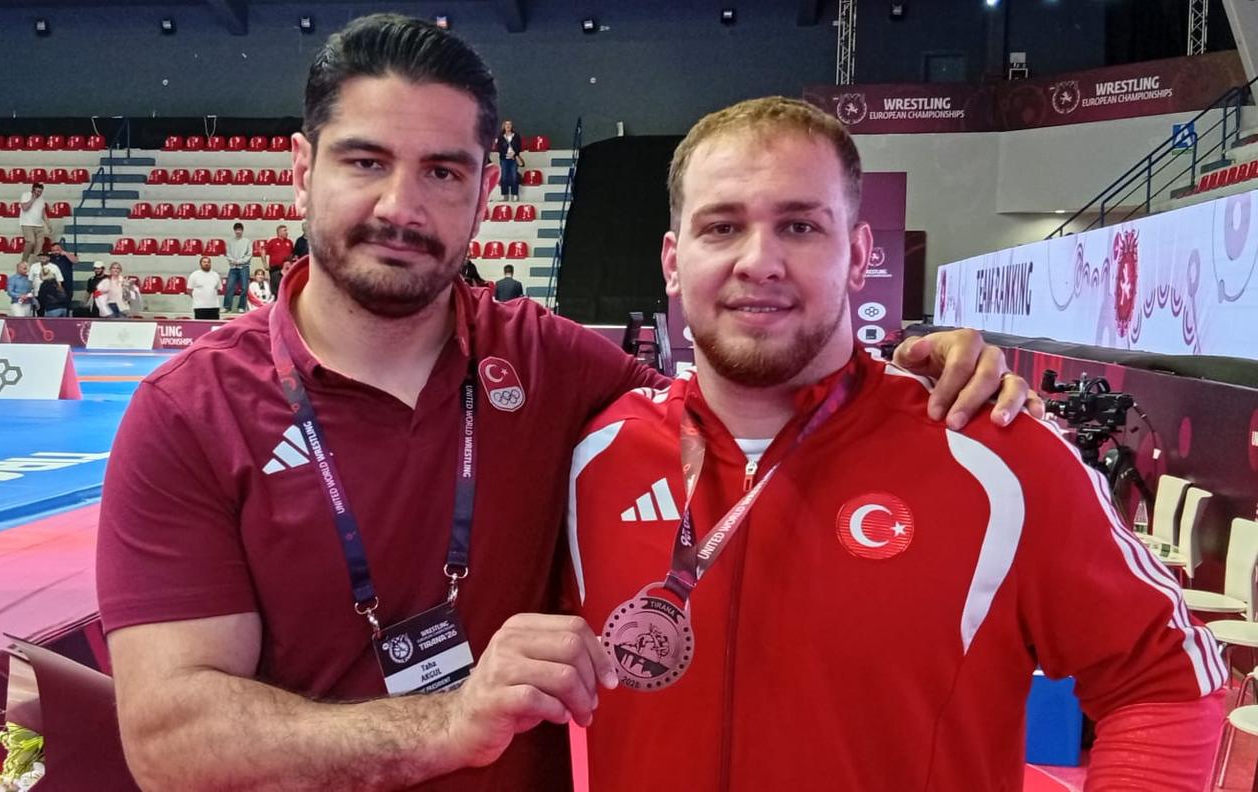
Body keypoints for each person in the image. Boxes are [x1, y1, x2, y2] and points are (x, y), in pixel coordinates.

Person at [96, 15, 1033, 792]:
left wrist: (909, 366)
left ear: (489, 189)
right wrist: (444, 727)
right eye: (364, 161)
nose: (401, 206)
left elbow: (748, 399)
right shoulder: (191, 413)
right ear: (301, 168)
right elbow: (171, 741)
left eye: (443, 171)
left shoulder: (547, 364)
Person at [565, 97, 1227, 792]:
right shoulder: (594, 455)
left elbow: (1166, 680)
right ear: (673, 261)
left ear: (857, 254)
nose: (759, 261)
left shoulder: (994, 453)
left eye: (799, 225)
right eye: (722, 227)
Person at [493, 119, 525, 202]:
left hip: (514, 159)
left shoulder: (516, 135)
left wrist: (513, 154)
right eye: (506, 124)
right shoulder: (500, 136)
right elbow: (499, 148)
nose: (508, 126)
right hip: (504, 159)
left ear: (511, 126)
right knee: (504, 177)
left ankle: (515, 195)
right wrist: (506, 154)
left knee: (514, 176)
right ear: (504, 126)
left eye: (509, 124)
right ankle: (505, 196)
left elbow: (519, 147)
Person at [224, 222, 252, 313]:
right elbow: (228, 254)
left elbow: (249, 255)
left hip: (244, 267)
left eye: (240, 230)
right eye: (236, 230)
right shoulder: (230, 242)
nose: (238, 232)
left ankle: (241, 306)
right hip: (233, 267)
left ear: (242, 230)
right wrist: (233, 261)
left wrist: (239, 261)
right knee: (229, 287)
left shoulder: (247, 241)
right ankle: (227, 306)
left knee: (244, 287)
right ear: (234, 230)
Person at [187, 255, 224, 320]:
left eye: (208, 262)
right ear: (200, 264)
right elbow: (189, 290)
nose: (206, 264)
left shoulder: (215, 275)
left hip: (214, 307)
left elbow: (219, 289)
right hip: (199, 307)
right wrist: (197, 298)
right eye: (204, 262)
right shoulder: (194, 275)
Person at [18, 182, 48, 260]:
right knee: (31, 242)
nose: (39, 193)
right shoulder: (25, 195)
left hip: (39, 225)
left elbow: (43, 213)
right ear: (33, 190)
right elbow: (24, 208)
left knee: (40, 244)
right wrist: (33, 199)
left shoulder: (41, 199)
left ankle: (35, 262)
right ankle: (24, 260)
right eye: (37, 191)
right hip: (27, 224)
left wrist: (48, 223)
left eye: (40, 192)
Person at [264, 223, 294, 297]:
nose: (287, 232)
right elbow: (263, 251)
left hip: (286, 268)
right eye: (284, 230)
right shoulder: (273, 241)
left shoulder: (289, 242)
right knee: (275, 285)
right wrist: (265, 264)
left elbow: (292, 254)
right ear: (279, 232)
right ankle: (275, 300)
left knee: (287, 284)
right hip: (275, 267)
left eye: (286, 230)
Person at [46, 242, 77, 306]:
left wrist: (65, 253)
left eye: (57, 250)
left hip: (67, 283)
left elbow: (75, 260)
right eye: (53, 250)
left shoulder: (66, 256)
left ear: (61, 249)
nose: (56, 252)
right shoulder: (50, 258)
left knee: (67, 302)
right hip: (54, 284)